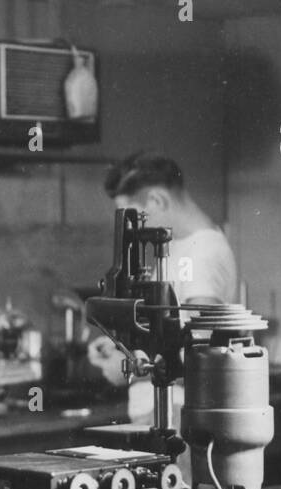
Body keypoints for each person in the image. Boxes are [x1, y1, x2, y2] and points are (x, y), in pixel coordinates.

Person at [98, 152, 240, 425]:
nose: (135, 232)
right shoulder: (181, 247)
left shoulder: (203, 253)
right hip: (161, 410)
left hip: (175, 415)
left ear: (156, 200)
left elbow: (197, 352)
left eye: (135, 219)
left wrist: (129, 366)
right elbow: (169, 330)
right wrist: (125, 344)